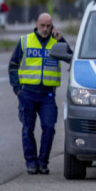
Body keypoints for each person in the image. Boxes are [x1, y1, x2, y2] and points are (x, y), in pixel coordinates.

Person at [8, 12, 70, 175]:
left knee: (49, 127)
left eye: (48, 26)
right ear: (36, 24)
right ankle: (31, 162)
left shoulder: (56, 43)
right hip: (28, 92)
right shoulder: (25, 41)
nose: (45, 29)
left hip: (47, 94)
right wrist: (17, 89)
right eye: (42, 25)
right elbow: (13, 65)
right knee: (28, 128)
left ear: (52, 26)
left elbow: (71, 58)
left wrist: (61, 40)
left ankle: (43, 162)